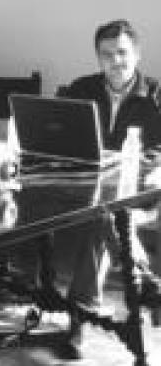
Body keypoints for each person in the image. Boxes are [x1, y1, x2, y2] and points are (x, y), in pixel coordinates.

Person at [60, 19, 161, 359]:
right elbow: (59, 131)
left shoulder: (157, 95)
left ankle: (80, 316)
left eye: (122, 52)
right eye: (107, 54)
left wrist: (147, 164)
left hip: (142, 191)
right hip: (91, 186)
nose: (116, 61)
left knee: (102, 215)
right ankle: (146, 282)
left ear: (137, 54)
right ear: (98, 58)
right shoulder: (81, 89)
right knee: (101, 213)